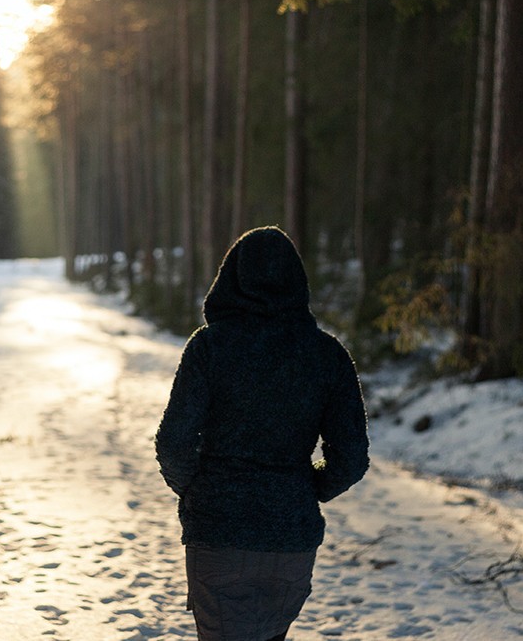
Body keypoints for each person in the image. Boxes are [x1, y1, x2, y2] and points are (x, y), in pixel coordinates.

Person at [155, 226, 370, 641]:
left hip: (218, 535)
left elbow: (172, 443)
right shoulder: (328, 355)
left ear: (230, 280)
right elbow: (352, 458)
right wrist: (308, 490)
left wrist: (198, 490)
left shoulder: (209, 347)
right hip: (290, 539)